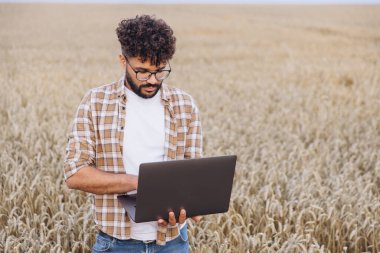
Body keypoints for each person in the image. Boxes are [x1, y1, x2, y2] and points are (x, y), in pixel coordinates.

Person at [63, 15, 203, 252]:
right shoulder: (95, 103)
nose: (152, 80)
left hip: (173, 243)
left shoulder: (185, 105)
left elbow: (193, 175)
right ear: (122, 60)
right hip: (116, 244)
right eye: (142, 71)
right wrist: (144, 185)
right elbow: (75, 173)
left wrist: (189, 206)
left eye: (160, 71)